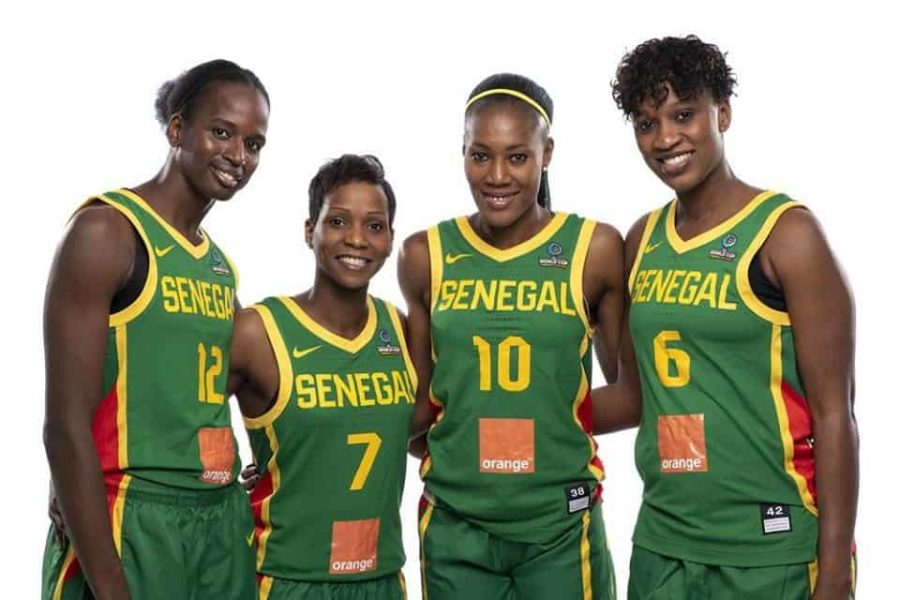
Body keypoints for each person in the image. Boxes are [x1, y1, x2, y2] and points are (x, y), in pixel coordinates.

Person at [593, 35, 858, 599]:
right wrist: (497, 416)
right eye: (646, 123)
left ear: (723, 113)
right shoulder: (641, 240)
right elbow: (632, 396)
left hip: (770, 548)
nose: (665, 138)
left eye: (683, 114)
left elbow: (835, 414)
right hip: (664, 543)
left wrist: (835, 570)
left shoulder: (786, 234)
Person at [42, 59, 269, 600]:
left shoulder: (218, 267)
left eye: (254, 143)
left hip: (217, 517)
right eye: (221, 132)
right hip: (132, 512)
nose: (238, 155)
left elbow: (220, 383)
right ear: (176, 129)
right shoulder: (108, 232)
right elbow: (63, 424)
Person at [400, 73, 625, 599]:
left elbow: (631, 393)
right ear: (462, 152)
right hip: (456, 522)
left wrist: (546, 425)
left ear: (547, 154)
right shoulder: (424, 254)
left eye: (517, 157)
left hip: (560, 522)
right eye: (480, 156)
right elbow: (417, 407)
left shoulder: (594, 248)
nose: (497, 176)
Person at [229, 154, 415, 600]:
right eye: (337, 221)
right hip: (286, 580)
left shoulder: (400, 330)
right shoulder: (258, 331)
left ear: (390, 240)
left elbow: (429, 430)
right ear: (309, 230)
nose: (356, 238)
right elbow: (175, 418)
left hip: (382, 580)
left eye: (374, 226)